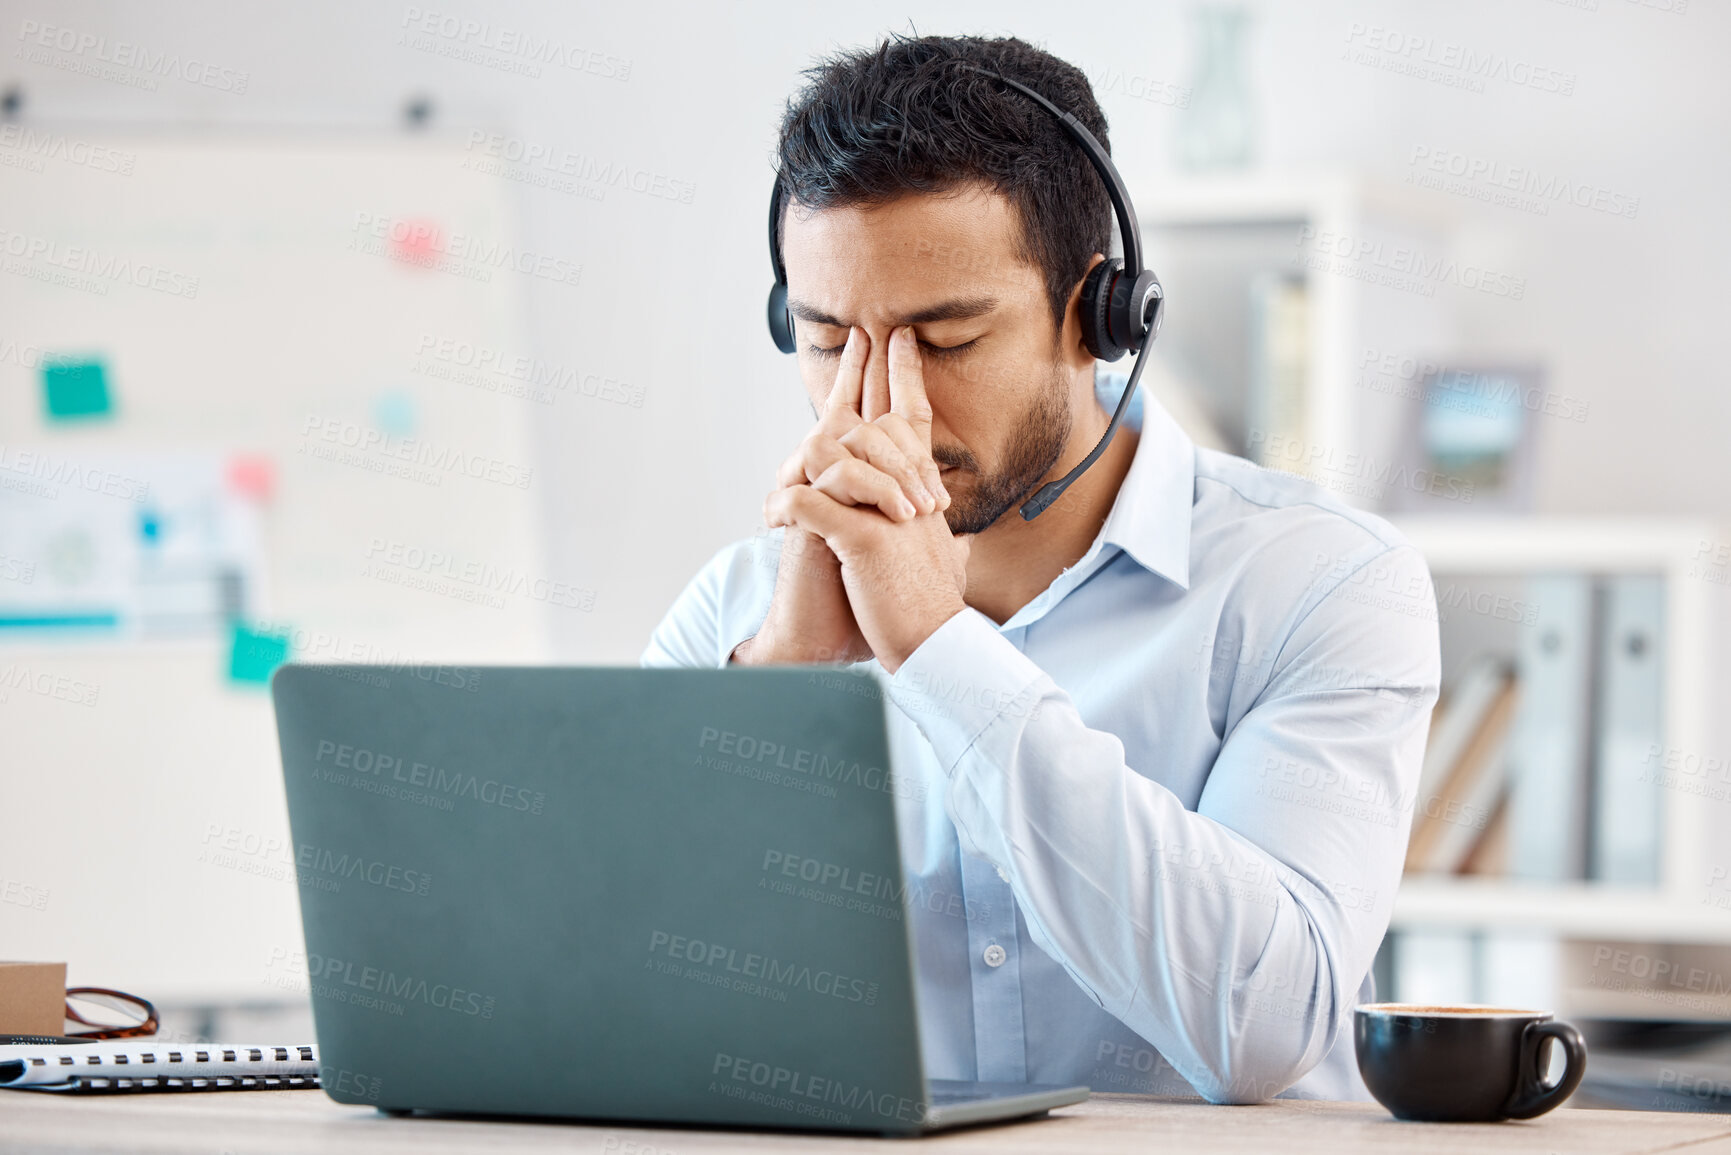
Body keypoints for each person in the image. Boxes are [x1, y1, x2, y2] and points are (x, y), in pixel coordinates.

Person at [644, 33, 1440, 1103]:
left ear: (1100, 314)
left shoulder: (1322, 584)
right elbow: (617, 986)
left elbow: (1263, 1026)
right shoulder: (742, 615)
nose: (883, 406)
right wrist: (778, 683)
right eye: (830, 340)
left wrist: (939, 652)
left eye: (947, 339)